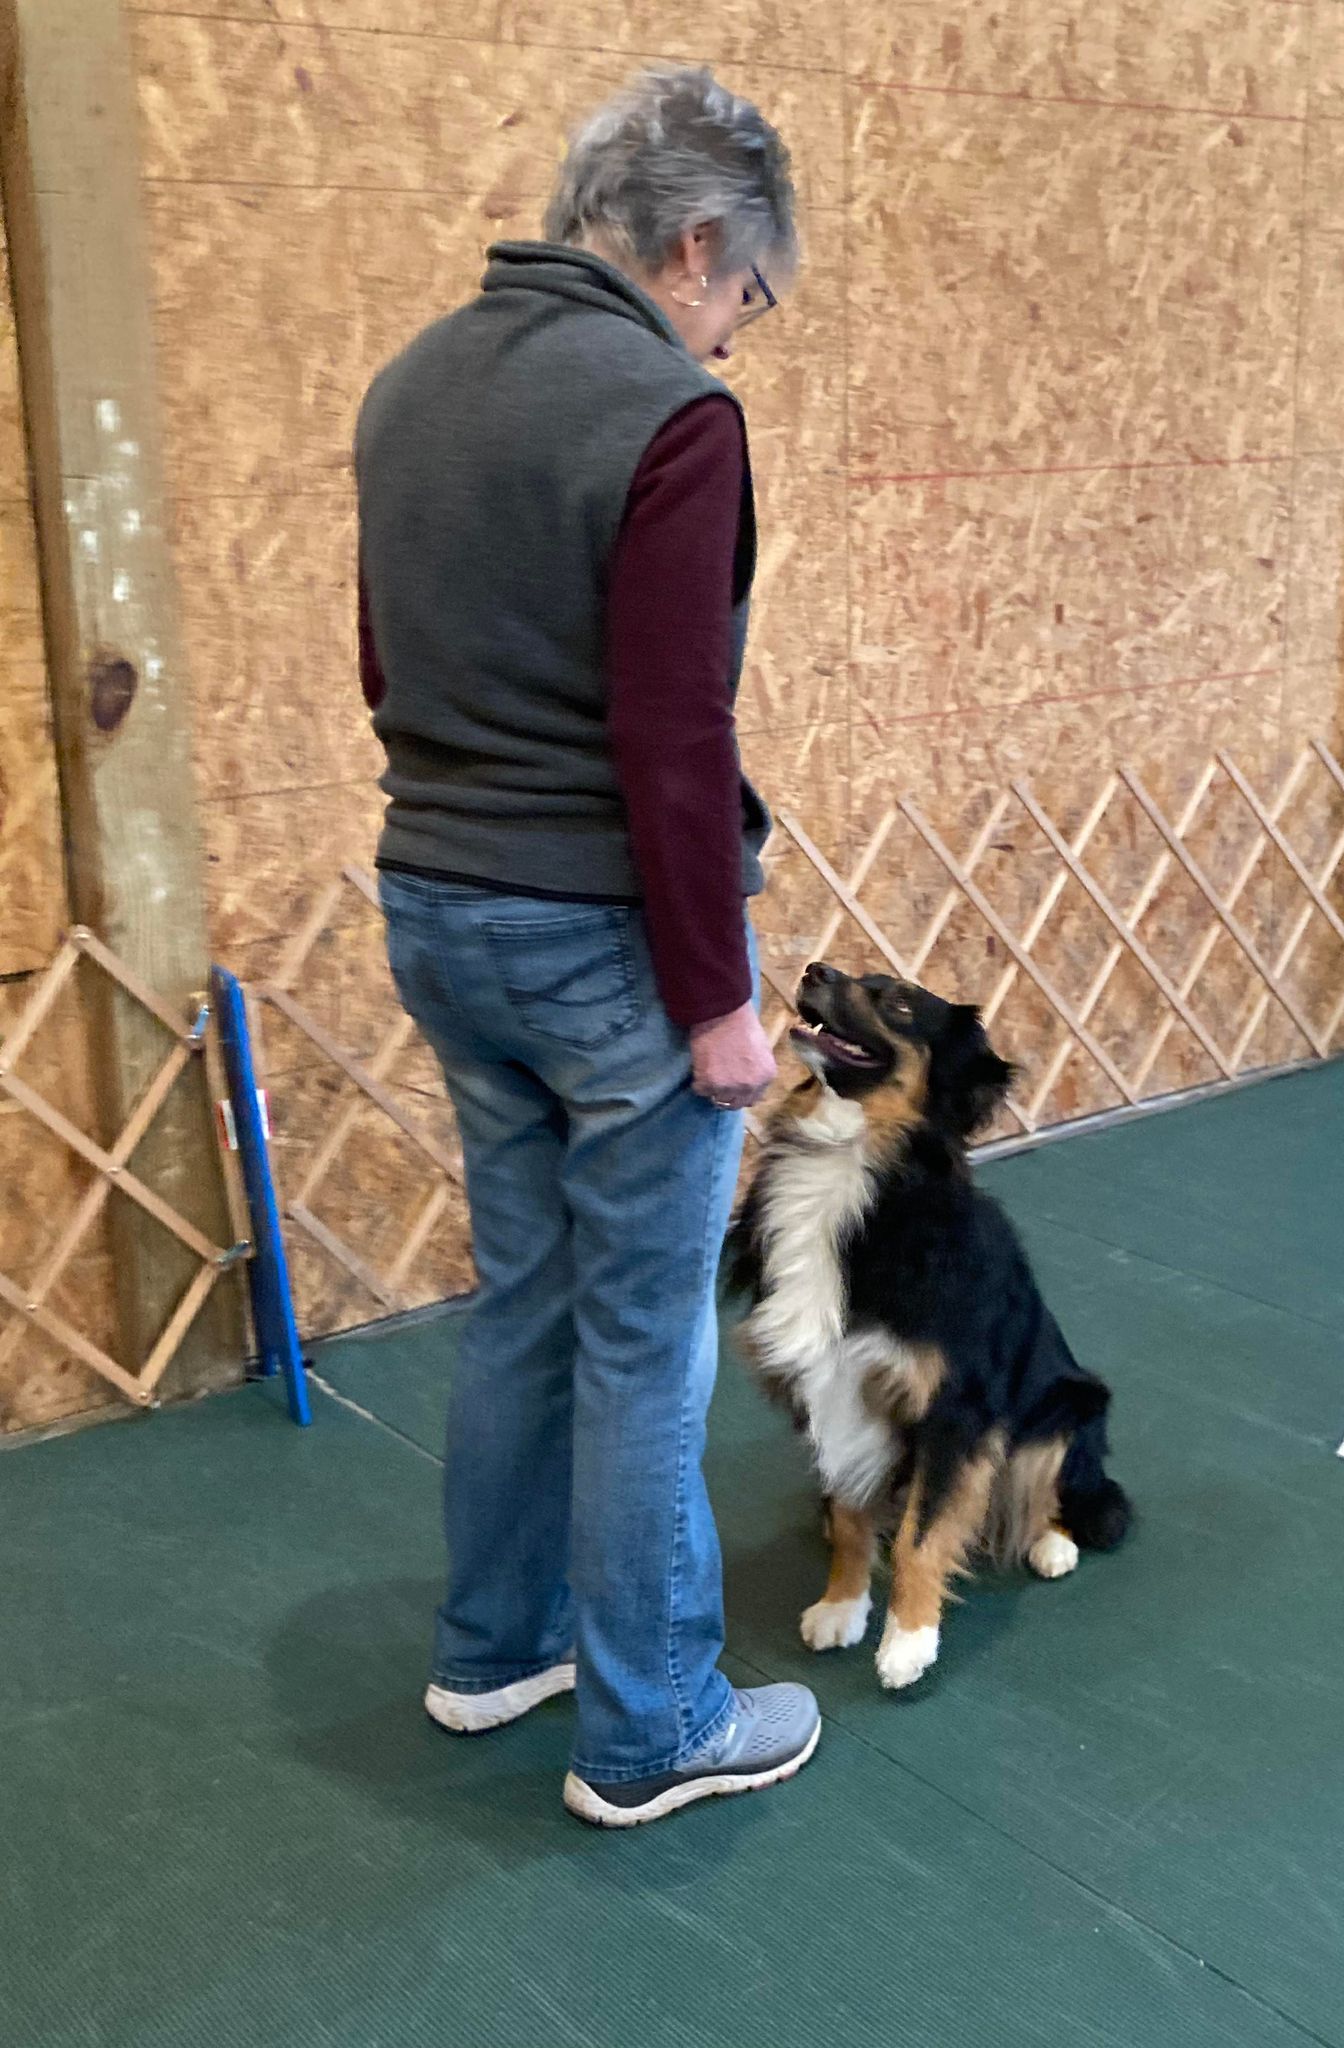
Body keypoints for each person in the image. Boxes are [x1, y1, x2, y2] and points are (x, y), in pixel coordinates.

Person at [354, 66, 820, 1828]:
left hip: (433, 903)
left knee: (524, 1296)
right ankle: (653, 1728)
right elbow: (672, 738)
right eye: (750, 300)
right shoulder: (670, 419)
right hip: (601, 941)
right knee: (646, 1342)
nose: (736, 341)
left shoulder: (409, 385)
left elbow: (386, 672)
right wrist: (718, 1005)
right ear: (696, 244)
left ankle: (495, 1650)